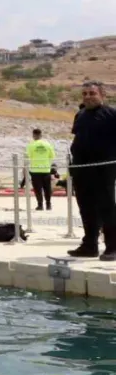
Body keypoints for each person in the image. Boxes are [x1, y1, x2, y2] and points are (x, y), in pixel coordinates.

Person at [68, 81, 116, 260]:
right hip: (81, 169)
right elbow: (78, 138)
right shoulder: (80, 114)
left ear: (102, 95)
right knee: (86, 207)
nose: (88, 97)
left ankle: (112, 246)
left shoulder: (111, 114)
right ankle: (89, 245)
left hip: (104, 168)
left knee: (107, 207)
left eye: (92, 93)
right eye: (85, 94)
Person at [26, 128, 56, 210]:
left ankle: (40, 205)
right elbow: (52, 156)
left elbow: (28, 156)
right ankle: (48, 205)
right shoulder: (47, 144)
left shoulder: (31, 145)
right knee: (47, 188)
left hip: (35, 170)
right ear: (41, 135)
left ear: (33, 135)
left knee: (37, 189)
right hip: (46, 169)